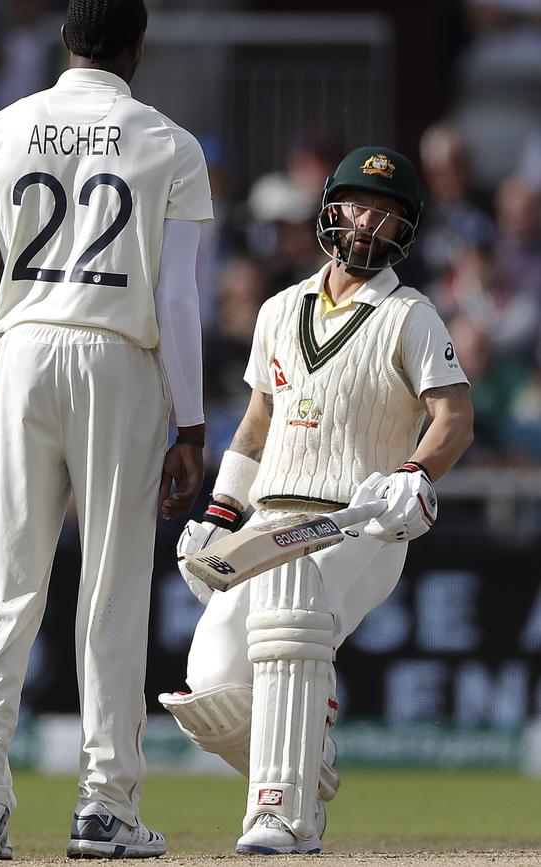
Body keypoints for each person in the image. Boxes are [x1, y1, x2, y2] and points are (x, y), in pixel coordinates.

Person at [0, 0, 213, 859]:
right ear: (136, 48)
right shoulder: (170, 143)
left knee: (8, 585)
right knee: (112, 590)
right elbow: (176, 301)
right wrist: (193, 422)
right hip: (117, 360)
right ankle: (105, 806)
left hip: (22, 355)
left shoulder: (0, 128)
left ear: (66, 41)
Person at [160, 147, 474, 854]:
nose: (370, 223)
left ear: (407, 229)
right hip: (271, 521)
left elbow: (454, 416)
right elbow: (257, 422)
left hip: (358, 521)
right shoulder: (278, 310)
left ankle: (283, 814)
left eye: (388, 214)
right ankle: (308, 760)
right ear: (332, 210)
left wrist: (416, 473)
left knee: (291, 625)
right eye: (361, 206)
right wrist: (219, 511)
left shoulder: (410, 314)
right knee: (208, 684)